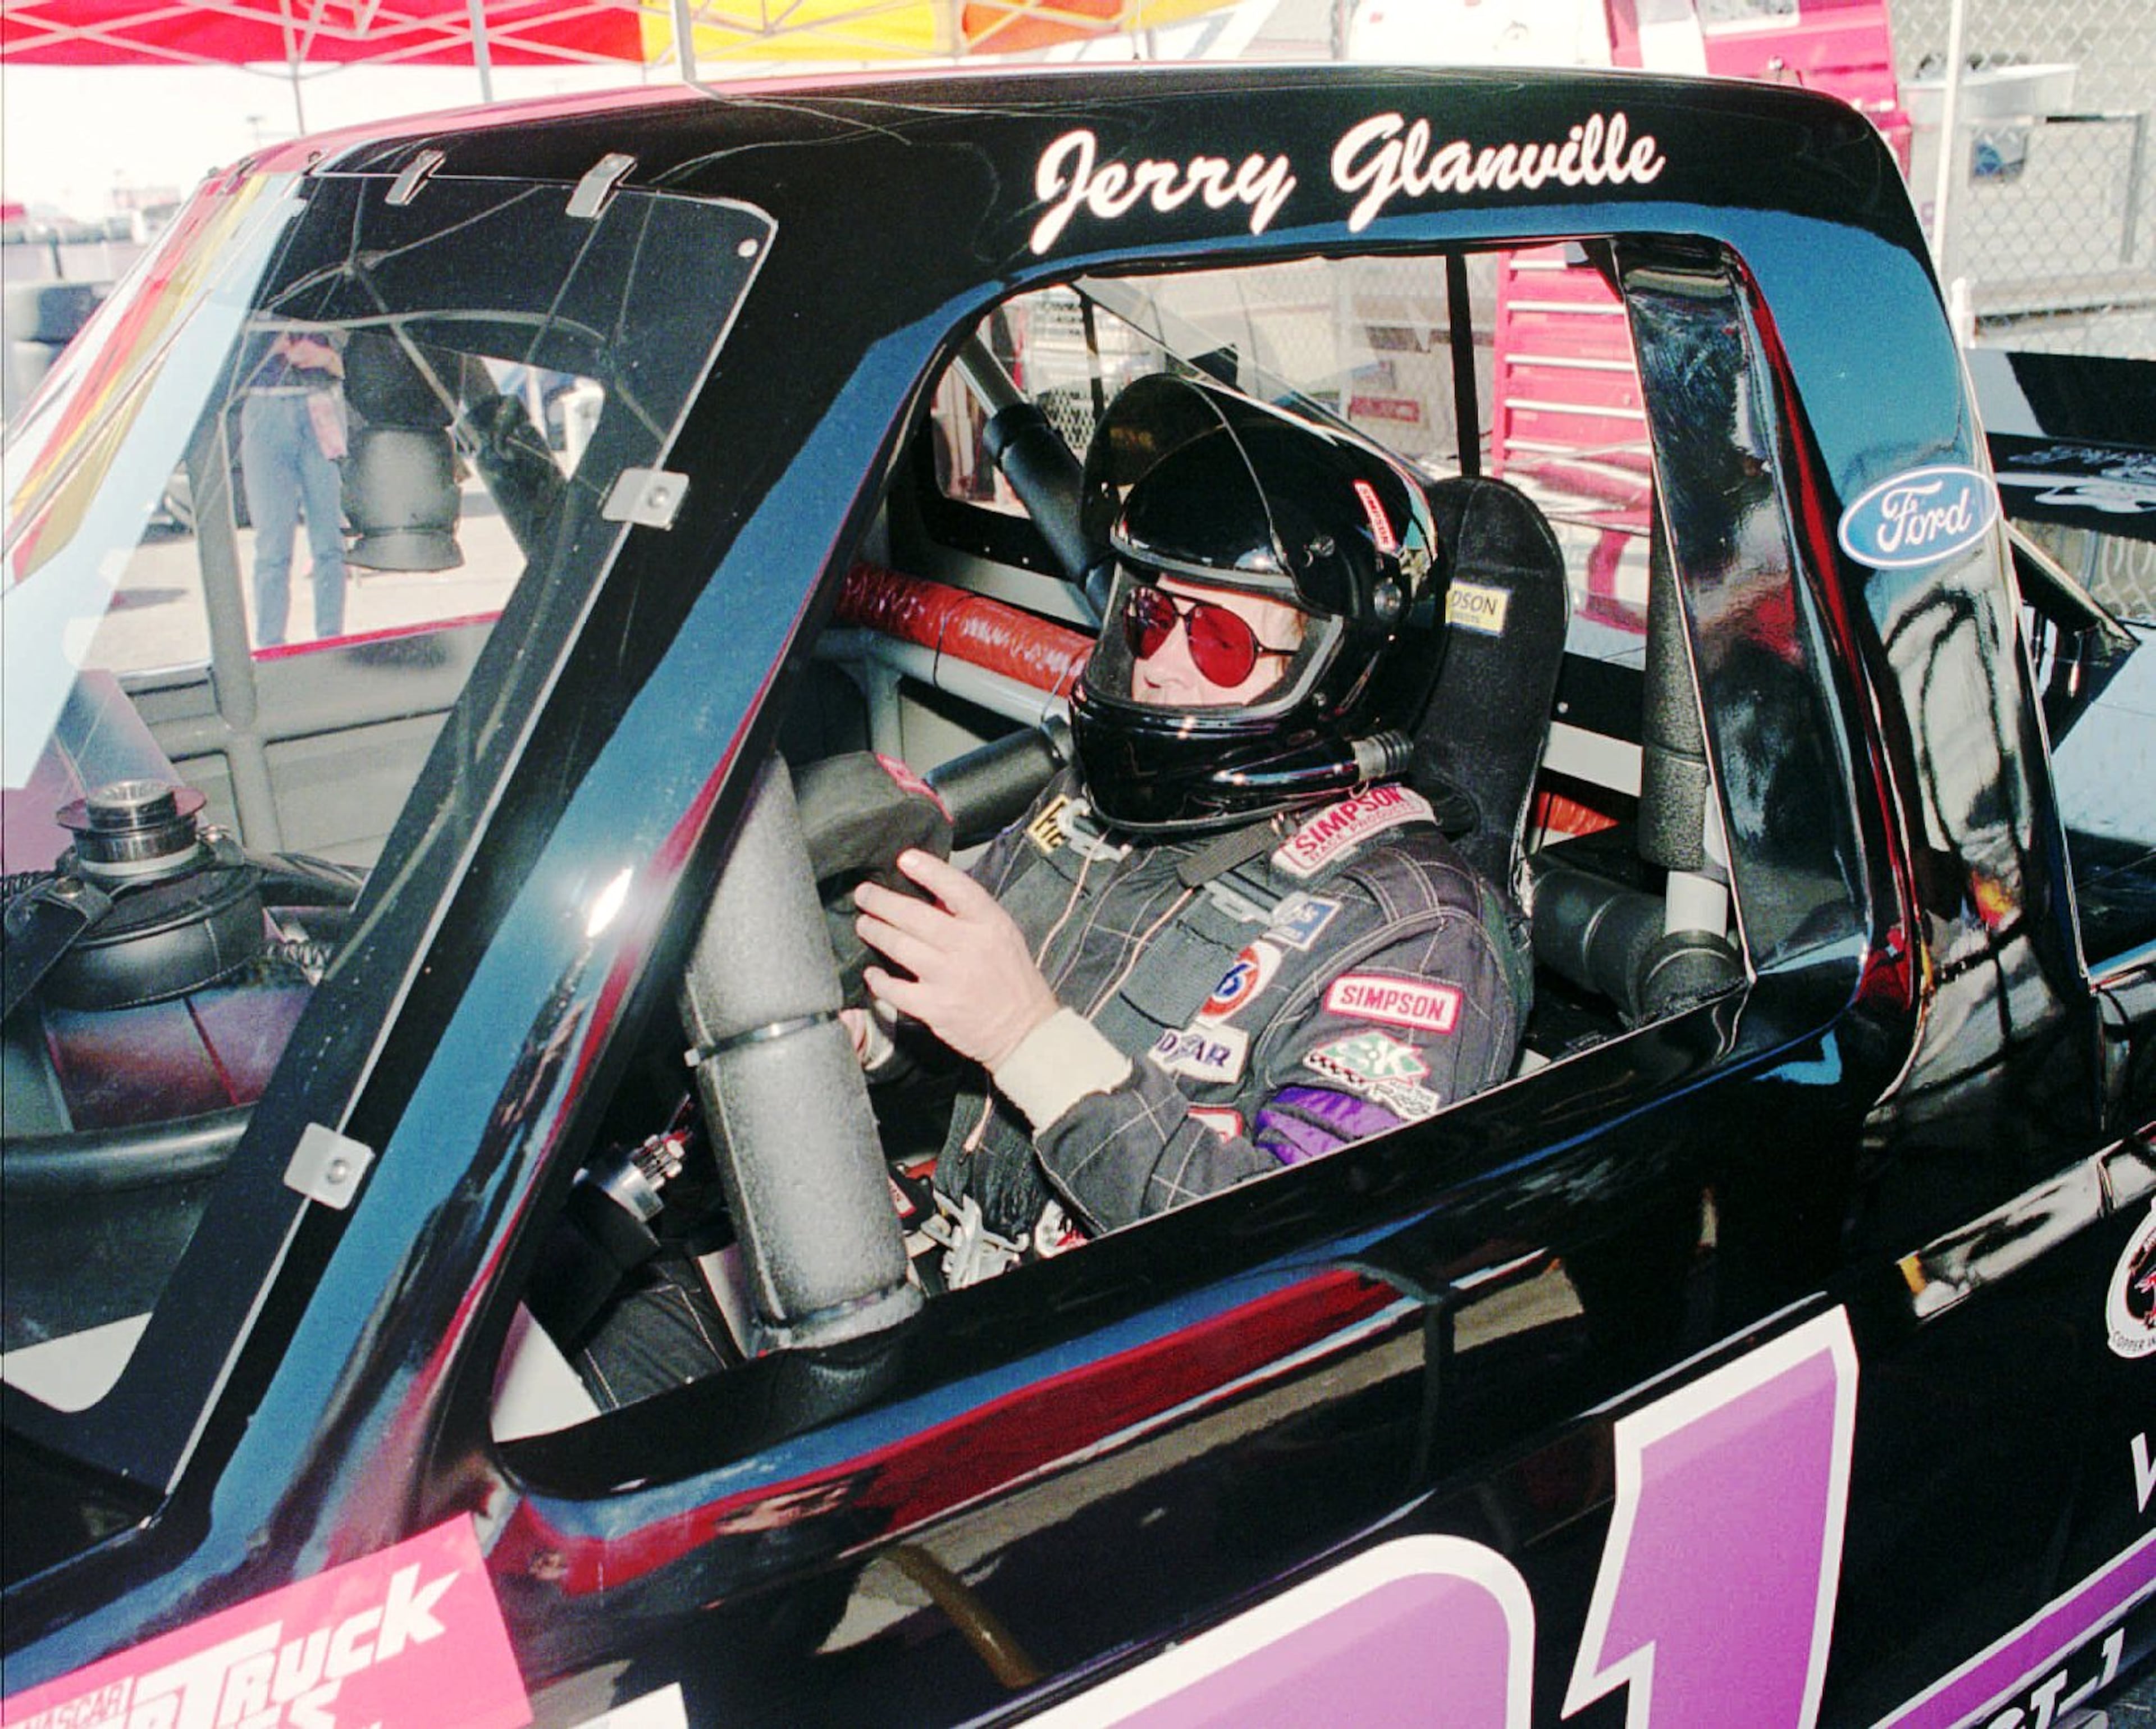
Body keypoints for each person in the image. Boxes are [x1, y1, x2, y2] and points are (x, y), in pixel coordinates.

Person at [851, 374, 1531, 1287]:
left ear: (1334, 671)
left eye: (1219, 640)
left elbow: (1300, 1262)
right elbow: (961, 1009)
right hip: (958, 1273)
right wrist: (874, 1034)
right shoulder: (1098, 808)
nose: (1161, 668)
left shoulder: (1420, 933)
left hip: (1114, 1347)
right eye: (1151, 616)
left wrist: (1027, 1038)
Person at [240, 324, 349, 646]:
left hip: (321, 405)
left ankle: (330, 638)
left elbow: (359, 357)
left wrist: (326, 357)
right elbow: (223, 365)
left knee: (330, 538)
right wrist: (264, 348)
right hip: (264, 407)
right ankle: (270, 644)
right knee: (272, 542)